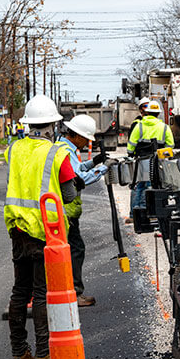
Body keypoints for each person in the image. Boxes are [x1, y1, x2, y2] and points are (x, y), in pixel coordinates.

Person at [4, 95, 79, 359]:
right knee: (41, 293)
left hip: (17, 228)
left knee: (19, 291)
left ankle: (19, 354)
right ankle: (44, 356)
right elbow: (69, 196)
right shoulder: (58, 154)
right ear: (51, 127)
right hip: (45, 232)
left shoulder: (13, 150)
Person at [57, 114, 109, 307]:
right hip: (66, 211)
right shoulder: (65, 151)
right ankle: (74, 293)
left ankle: (69, 291)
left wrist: (94, 162)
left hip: (67, 211)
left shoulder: (65, 148)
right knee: (75, 250)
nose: (87, 142)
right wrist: (103, 169)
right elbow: (78, 178)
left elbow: (77, 168)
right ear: (77, 135)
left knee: (72, 249)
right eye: (86, 138)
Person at [127, 99, 174, 223]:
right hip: (157, 162)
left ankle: (135, 214)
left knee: (140, 186)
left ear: (147, 112)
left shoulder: (139, 126)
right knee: (154, 186)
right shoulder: (164, 127)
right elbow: (171, 145)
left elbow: (131, 144)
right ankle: (152, 213)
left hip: (141, 162)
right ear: (158, 114)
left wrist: (131, 153)